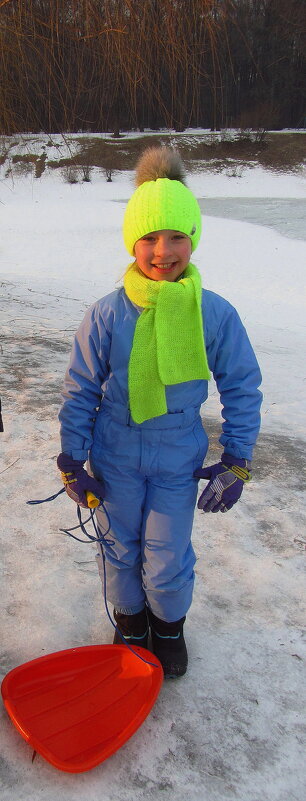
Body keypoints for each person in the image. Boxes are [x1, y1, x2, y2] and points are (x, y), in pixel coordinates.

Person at [57, 146, 262, 678]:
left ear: (192, 238)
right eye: (149, 237)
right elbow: (81, 388)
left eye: (176, 236)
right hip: (115, 453)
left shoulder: (212, 313)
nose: (162, 251)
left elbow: (241, 385)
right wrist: (71, 459)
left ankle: (168, 626)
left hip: (177, 457)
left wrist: (237, 458)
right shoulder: (106, 313)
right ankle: (130, 623)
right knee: (119, 546)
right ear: (132, 242)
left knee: (167, 555)